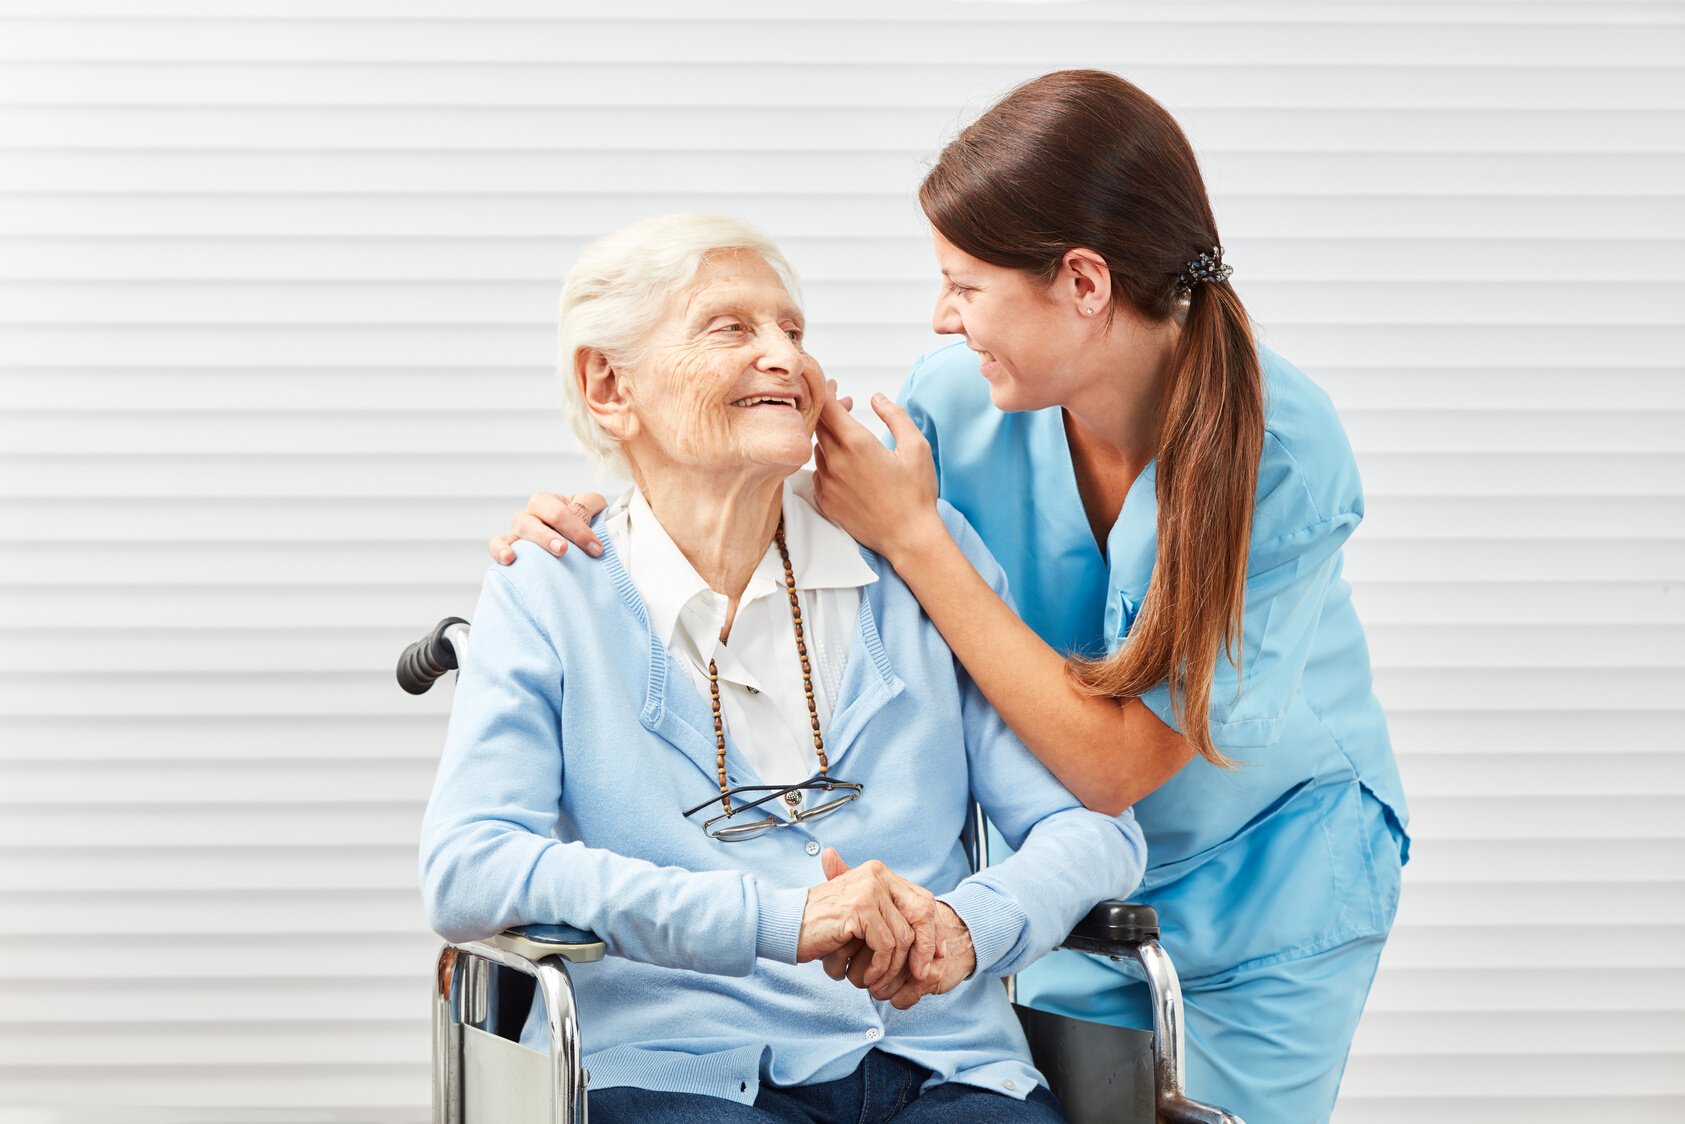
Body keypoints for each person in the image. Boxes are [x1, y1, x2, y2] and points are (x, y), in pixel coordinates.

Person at [487, 71, 1410, 1124]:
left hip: (1265, 879)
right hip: (1062, 889)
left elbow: (1111, 767)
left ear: (1082, 283)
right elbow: (743, 471)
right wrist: (595, 512)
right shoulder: (956, 403)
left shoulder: (1277, 451)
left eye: (963, 283)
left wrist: (915, 536)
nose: (938, 315)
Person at [421, 211, 1146, 1124]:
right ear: (610, 385)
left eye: (794, 332)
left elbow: (1094, 828)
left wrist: (972, 928)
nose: (785, 358)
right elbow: (467, 865)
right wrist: (776, 920)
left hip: (942, 1060)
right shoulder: (552, 589)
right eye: (731, 327)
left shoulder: (913, 559)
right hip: (675, 1067)